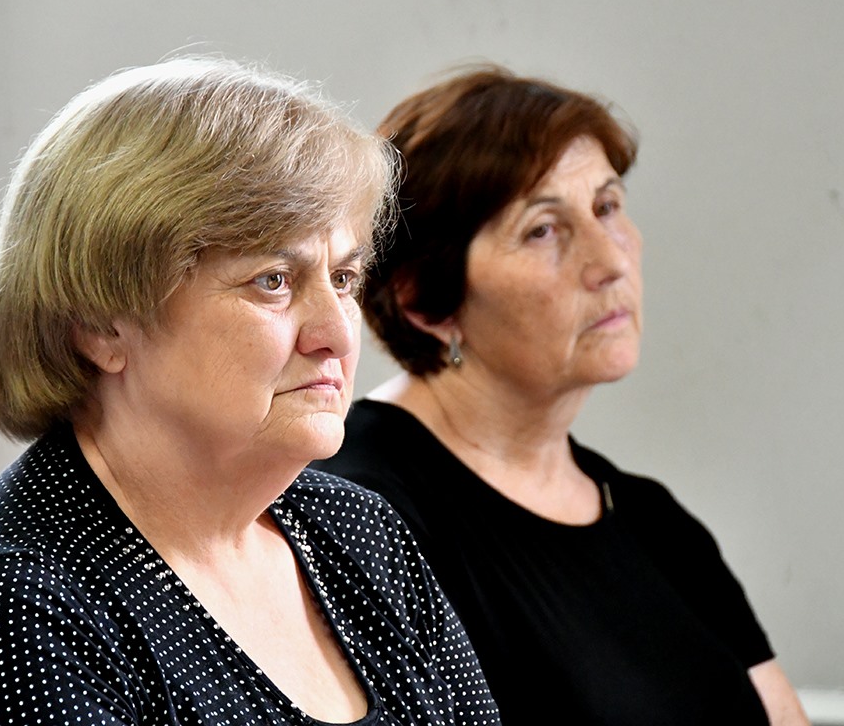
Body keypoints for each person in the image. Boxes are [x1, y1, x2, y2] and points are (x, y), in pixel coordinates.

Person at [0, 57, 501, 725]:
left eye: (342, 277)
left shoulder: (356, 531)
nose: (337, 332)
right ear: (100, 324)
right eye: (273, 280)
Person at [315, 66, 810, 725]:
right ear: (425, 300)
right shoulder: (354, 511)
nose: (611, 261)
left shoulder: (655, 522)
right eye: (543, 230)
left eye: (607, 207)